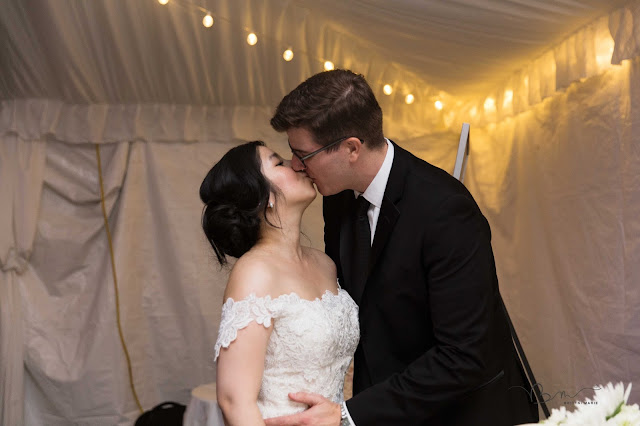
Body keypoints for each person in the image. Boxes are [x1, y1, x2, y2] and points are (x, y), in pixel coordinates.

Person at [265, 69, 539, 426]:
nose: (297, 166)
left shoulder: (445, 210)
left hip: (462, 414)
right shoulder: (339, 198)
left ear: (351, 148)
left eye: (304, 154)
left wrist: (350, 415)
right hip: (386, 406)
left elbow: (464, 356)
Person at [199, 141, 359, 424]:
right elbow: (234, 400)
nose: (298, 164)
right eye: (280, 163)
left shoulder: (325, 264)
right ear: (262, 196)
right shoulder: (255, 273)